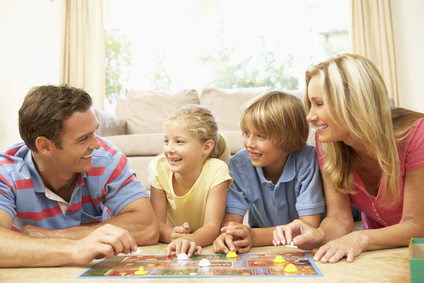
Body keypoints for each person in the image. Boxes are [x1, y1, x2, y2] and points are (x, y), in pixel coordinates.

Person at [273, 54, 424, 263]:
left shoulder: (417, 135)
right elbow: (340, 218)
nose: (310, 116)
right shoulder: (327, 143)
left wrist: (360, 237)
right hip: (383, 252)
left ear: (352, 103)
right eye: (310, 104)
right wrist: (320, 234)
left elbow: (416, 226)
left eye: (319, 104)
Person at [0, 85, 159, 267]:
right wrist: (75, 249)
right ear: (45, 146)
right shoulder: (6, 172)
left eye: (95, 132)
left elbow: (147, 226)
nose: (97, 145)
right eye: (83, 138)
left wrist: (58, 235)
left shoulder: (105, 159)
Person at [213, 90, 326, 254]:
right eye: (246, 133)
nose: (249, 143)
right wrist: (230, 234)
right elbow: (231, 219)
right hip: (269, 236)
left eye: (260, 136)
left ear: (288, 137)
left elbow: (308, 226)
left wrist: (253, 236)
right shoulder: (238, 165)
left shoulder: (307, 159)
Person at [148, 104, 232, 257]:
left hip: (199, 237)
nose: (169, 149)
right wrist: (172, 236)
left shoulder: (216, 170)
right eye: (166, 141)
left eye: (179, 142)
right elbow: (156, 224)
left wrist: (188, 240)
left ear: (206, 147)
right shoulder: (159, 169)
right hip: (175, 236)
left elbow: (212, 227)